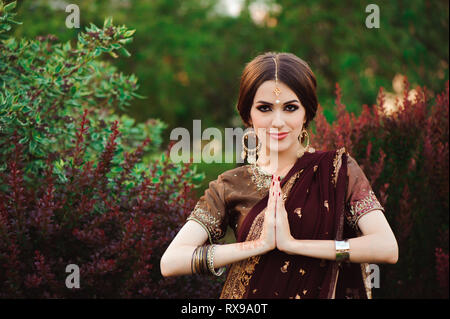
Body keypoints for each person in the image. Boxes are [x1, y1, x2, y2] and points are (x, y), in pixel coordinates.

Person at [160, 52, 398, 299]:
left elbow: (387, 247)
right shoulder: (230, 185)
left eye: (290, 108)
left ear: (306, 113)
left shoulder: (339, 171)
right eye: (264, 108)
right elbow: (171, 261)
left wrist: (294, 245)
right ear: (247, 115)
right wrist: (258, 246)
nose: (277, 121)